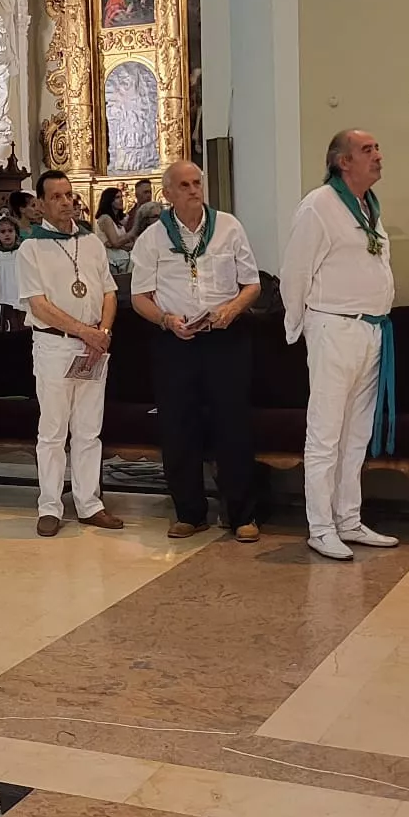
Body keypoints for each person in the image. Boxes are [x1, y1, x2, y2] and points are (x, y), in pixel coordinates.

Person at [280, 130, 400, 560]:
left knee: (356, 434)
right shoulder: (318, 206)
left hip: (371, 330)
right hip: (333, 327)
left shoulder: (369, 207)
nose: (378, 156)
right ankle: (320, 525)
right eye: (368, 150)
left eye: (377, 147)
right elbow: (294, 273)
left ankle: (349, 518)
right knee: (326, 432)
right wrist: (301, 327)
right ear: (342, 161)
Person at [131, 161, 261, 540]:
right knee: (177, 427)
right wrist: (165, 320)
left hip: (225, 339)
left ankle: (242, 516)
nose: (193, 190)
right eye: (184, 185)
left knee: (232, 425)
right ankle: (189, 512)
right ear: (167, 194)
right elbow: (139, 297)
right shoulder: (152, 238)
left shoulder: (229, 227)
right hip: (176, 341)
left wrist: (231, 310)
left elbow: (251, 284)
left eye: (197, 183)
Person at [19, 171, 124, 537]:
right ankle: (49, 505)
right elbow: (39, 305)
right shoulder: (31, 247)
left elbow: (109, 292)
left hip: (94, 346)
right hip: (55, 344)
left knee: (88, 429)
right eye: (57, 196)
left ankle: (89, 503)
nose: (66, 202)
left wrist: (103, 334)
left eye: (69, 195)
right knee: (52, 430)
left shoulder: (92, 241)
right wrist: (86, 333)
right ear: (42, 204)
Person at [94, 187, 134, 273]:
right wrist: (131, 234)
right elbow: (115, 243)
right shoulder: (106, 218)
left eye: (121, 197)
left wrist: (120, 244)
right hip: (112, 262)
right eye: (117, 197)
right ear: (109, 200)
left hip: (122, 260)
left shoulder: (117, 220)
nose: (121, 200)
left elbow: (118, 243)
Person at [0, 216, 26, 308]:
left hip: (20, 294)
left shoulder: (21, 252)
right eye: (3, 232)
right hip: (4, 296)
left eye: (10, 231)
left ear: (16, 233)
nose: (7, 234)